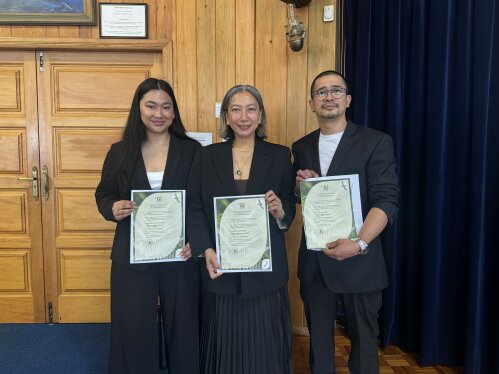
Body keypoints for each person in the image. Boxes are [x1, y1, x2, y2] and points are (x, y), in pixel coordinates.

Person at [292, 70, 400, 374]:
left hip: (361, 261)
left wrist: (360, 243)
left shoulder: (375, 142)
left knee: (365, 344)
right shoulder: (301, 147)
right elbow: (304, 198)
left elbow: (387, 200)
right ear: (311, 103)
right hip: (316, 261)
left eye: (336, 90)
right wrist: (299, 188)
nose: (329, 96)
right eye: (321, 92)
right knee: (320, 343)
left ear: (348, 99)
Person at [187, 85, 296, 374]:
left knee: (265, 347)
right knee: (223, 346)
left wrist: (280, 210)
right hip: (220, 268)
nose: (243, 116)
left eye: (251, 109)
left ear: (260, 115)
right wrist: (205, 249)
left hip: (265, 273)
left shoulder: (281, 155)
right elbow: (194, 206)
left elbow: (289, 206)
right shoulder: (206, 156)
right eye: (236, 109)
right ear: (226, 116)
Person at [95, 78, 201, 374]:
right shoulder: (120, 151)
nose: (159, 113)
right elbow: (103, 193)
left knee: (185, 328)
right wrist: (112, 208)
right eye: (151, 106)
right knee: (133, 328)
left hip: (181, 255)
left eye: (166, 107)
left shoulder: (192, 150)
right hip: (132, 254)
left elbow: (202, 201)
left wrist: (197, 239)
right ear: (138, 109)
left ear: (174, 112)